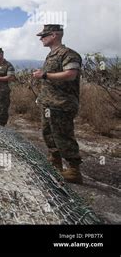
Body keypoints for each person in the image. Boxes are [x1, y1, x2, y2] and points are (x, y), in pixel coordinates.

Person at [32, 24, 83, 184]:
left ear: (54, 35)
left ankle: (74, 171)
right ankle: (55, 165)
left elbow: (71, 75)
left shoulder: (69, 54)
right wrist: (41, 96)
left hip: (62, 104)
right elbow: (49, 81)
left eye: (44, 35)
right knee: (48, 134)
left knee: (64, 136)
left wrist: (44, 75)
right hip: (48, 103)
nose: (41, 39)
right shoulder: (51, 55)